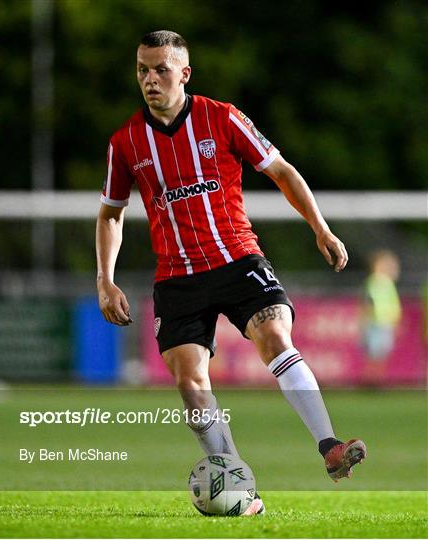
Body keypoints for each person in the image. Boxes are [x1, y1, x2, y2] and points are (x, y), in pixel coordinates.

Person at [96, 30, 366, 515]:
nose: (150, 79)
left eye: (160, 69)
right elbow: (111, 214)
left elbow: (281, 170)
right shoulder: (125, 142)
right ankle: (242, 491)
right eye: (142, 69)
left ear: (185, 72)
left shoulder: (221, 117)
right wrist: (105, 278)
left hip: (238, 259)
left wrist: (321, 229)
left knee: (276, 339)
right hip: (178, 278)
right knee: (190, 384)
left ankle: (329, 445)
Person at [361, 250, 402, 385]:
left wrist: (394, 319)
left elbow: (393, 303)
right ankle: (372, 381)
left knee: (381, 353)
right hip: (376, 322)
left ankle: (377, 380)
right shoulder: (374, 282)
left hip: (385, 322)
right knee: (374, 353)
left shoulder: (387, 283)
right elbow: (368, 302)